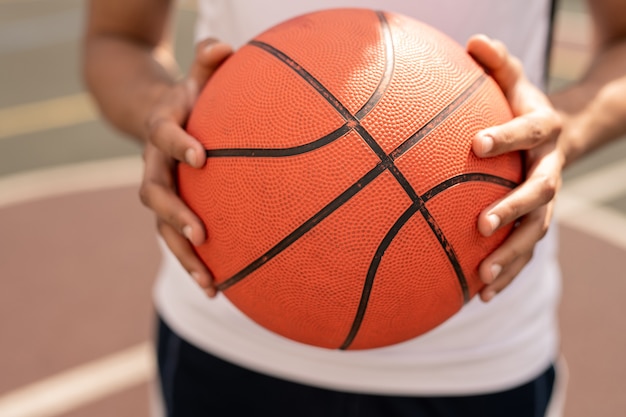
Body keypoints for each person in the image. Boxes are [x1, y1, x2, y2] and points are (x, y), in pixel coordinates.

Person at [83, 1, 626, 416]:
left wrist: (561, 131)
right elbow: (116, 37)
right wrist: (157, 110)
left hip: (476, 355)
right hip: (226, 333)